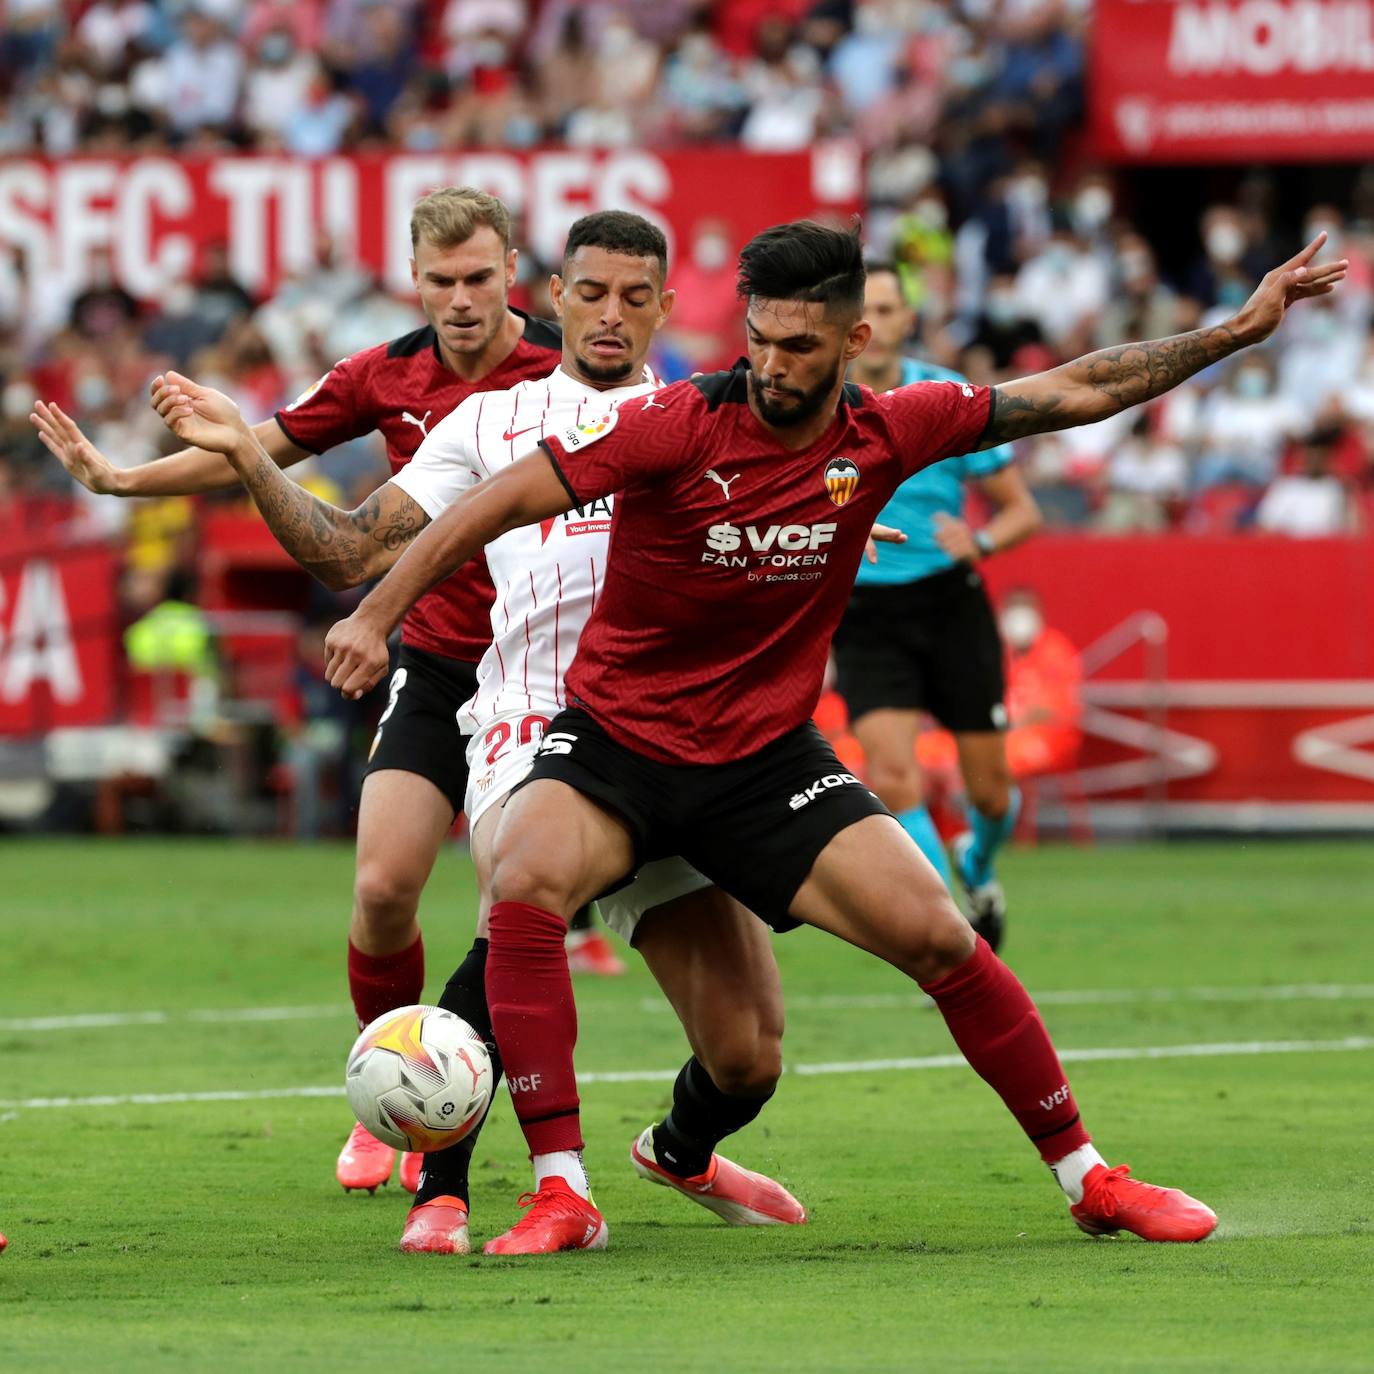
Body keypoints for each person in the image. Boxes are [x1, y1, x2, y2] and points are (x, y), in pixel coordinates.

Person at [305, 224, 1340, 1255]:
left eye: (798, 347)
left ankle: (1089, 1178)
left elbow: (1078, 388)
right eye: (758, 338)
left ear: (852, 342)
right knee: (524, 880)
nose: (770, 365)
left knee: (922, 945)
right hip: (617, 743)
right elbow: (495, 504)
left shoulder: (890, 430)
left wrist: (1239, 332)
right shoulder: (676, 423)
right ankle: (559, 1194)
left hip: (762, 761)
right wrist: (373, 613)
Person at [140, 211, 807, 1255]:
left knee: (750, 1056)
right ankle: (448, 1181)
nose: (612, 314)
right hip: (539, 728)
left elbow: (780, 515)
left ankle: (678, 1149)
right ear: (554, 293)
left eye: (636, 297)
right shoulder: (489, 425)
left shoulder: (703, 420)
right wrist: (248, 457)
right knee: (493, 912)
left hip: (678, 737)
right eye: (592, 293)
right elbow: (350, 547)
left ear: (666, 309)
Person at [31, 186, 568, 1197]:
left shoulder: (563, 371)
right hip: (442, 657)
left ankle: (504, 1153)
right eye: (441, 280)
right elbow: (259, 448)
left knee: (518, 905)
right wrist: (119, 481)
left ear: (513, 278)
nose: (460, 299)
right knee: (379, 891)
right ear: (415, 280)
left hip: (546, 672)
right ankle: (390, 1091)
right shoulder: (384, 373)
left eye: (479, 280)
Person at [836, 262, 1041, 950]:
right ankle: (954, 928)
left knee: (989, 793)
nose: (878, 322)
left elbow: (1022, 513)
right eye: (867, 309)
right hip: (863, 610)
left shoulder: (947, 396)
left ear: (905, 318)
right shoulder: (822, 401)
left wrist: (977, 540)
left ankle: (979, 864)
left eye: (890, 308)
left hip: (951, 604)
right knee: (893, 776)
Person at [918, 588, 1083, 788]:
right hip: (984, 732)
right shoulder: (988, 648)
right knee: (924, 754)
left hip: (1036, 735)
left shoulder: (1055, 651)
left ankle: (986, 811)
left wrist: (1001, 727)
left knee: (987, 763)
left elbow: (1052, 710)